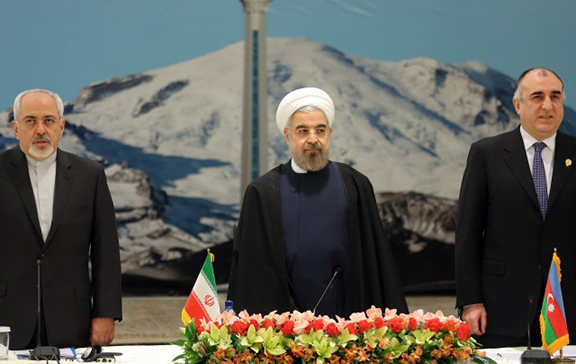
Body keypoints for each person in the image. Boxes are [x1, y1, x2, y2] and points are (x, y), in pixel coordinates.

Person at [228, 87, 407, 317]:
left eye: (320, 130)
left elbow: (375, 261)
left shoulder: (354, 185)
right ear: (287, 135)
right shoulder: (262, 192)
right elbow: (251, 274)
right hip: (283, 324)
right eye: (302, 130)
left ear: (329, 133)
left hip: (347, 317)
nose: (313, 139)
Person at [456, 68, 576, 347]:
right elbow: (468, 232)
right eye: (537, 96)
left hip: (568, 309)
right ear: (518, 105)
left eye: (555, 96)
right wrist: (471, 301)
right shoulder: (487, 154)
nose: (548, 105)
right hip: (501, 308)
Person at [0, 89, 122, 349]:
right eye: (30, 121)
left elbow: (106, 250)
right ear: (15, 128)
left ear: (62, 126)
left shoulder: (90, 175)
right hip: (6, 320)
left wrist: (105, 312)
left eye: (49, 120)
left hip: (71, 319)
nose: (41, 129)